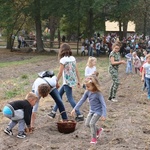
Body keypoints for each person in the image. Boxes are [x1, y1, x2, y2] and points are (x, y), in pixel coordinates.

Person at [48, 43, 84, 122]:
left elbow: (60, 73)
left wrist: (55, 81)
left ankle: (79, 114)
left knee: (70, 99)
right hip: (71, 81)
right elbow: (76, 70)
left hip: (67, 82)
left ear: (62, 50)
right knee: (59, 96)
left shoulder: (63, 60)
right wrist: (79, 80)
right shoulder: (73, 58)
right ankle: (53, 112)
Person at [71, 75, 106, 144]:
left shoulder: (98, 94)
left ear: (94, 85)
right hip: (92, 110)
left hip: (98, 111)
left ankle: (94, 138)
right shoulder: (87, 92)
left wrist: (104, 114)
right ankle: (98, 130)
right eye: (86, 86)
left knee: (92, 123)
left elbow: (103, 104)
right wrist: (74, 109)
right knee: (87, 124)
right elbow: (82, 100)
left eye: (88, 86)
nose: (86, 88)